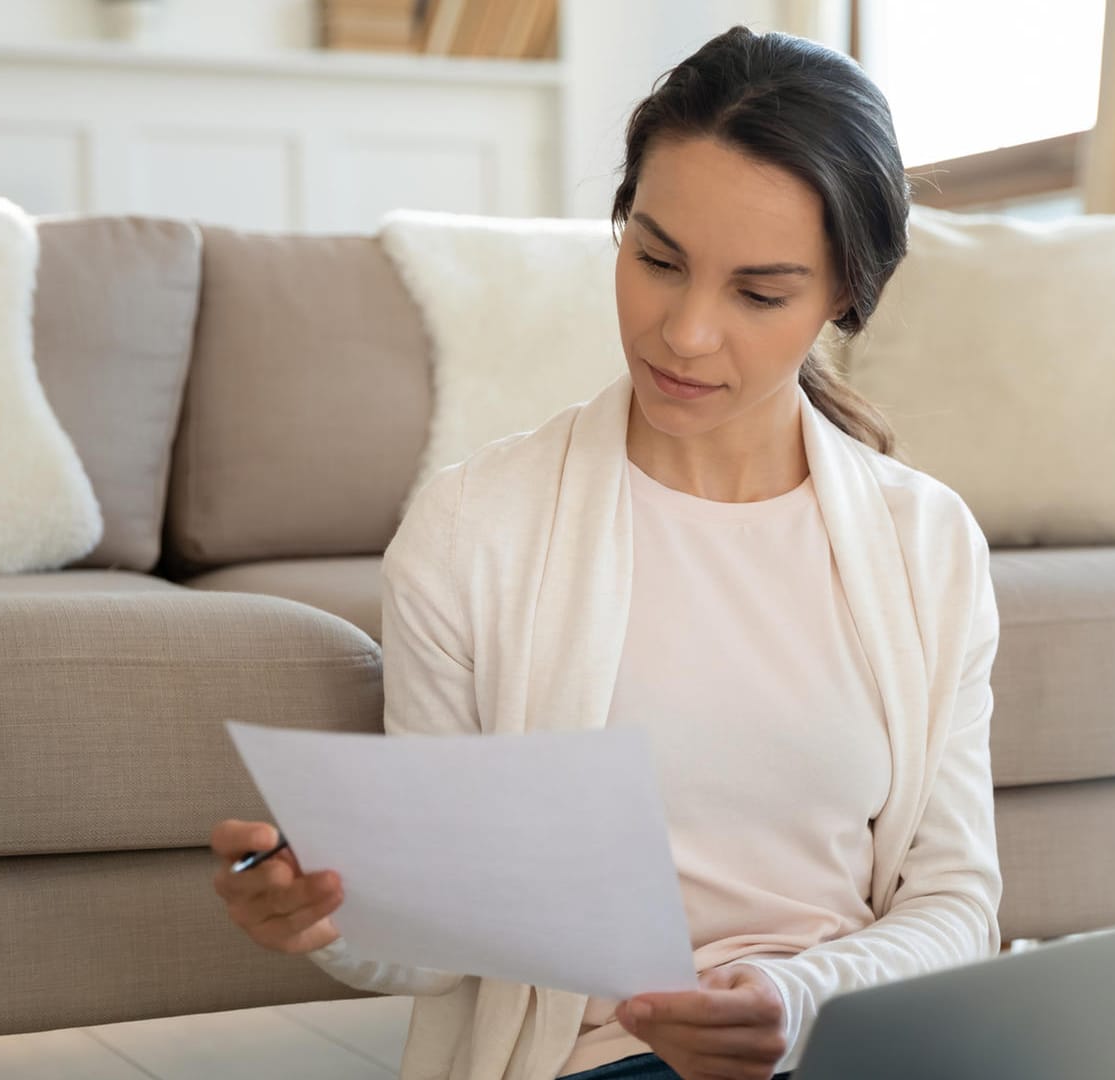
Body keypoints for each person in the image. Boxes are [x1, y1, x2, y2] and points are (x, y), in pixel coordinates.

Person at [210, 25, 1001, 1080]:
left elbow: (955, 904)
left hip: (858, 1039)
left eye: (758, 294)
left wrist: (794, 996)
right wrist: (329, 913)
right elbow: (443, 938)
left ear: (846, 296)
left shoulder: (927, 543)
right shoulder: (475, 529)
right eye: (657, 260)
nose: (683, 332)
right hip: (610, 1057)